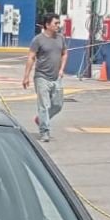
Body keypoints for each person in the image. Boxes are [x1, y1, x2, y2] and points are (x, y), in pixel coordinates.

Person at [22, 13, 68, 143]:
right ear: (47, 25)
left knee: (58, 105)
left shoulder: (60, 38)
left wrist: (61, 69)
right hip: (41, 77)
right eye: (55, 23)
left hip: (56, 77)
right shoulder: (38, 40)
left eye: (59, 23)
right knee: (44, 105)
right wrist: (26, 76)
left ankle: (41, 119)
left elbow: (64, 54)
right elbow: (31, 57)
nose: (58, 26)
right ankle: (44, 132)